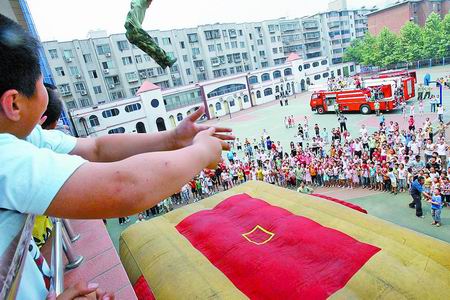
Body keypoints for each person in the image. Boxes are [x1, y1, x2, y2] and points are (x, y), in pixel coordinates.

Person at [0, 15, 233, 300]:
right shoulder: (5, 156)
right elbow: (124, 187)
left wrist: (171, 139)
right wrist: (201, 153)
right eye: (40, 82)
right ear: (13, 103)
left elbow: (95, 149)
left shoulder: (21, 135)